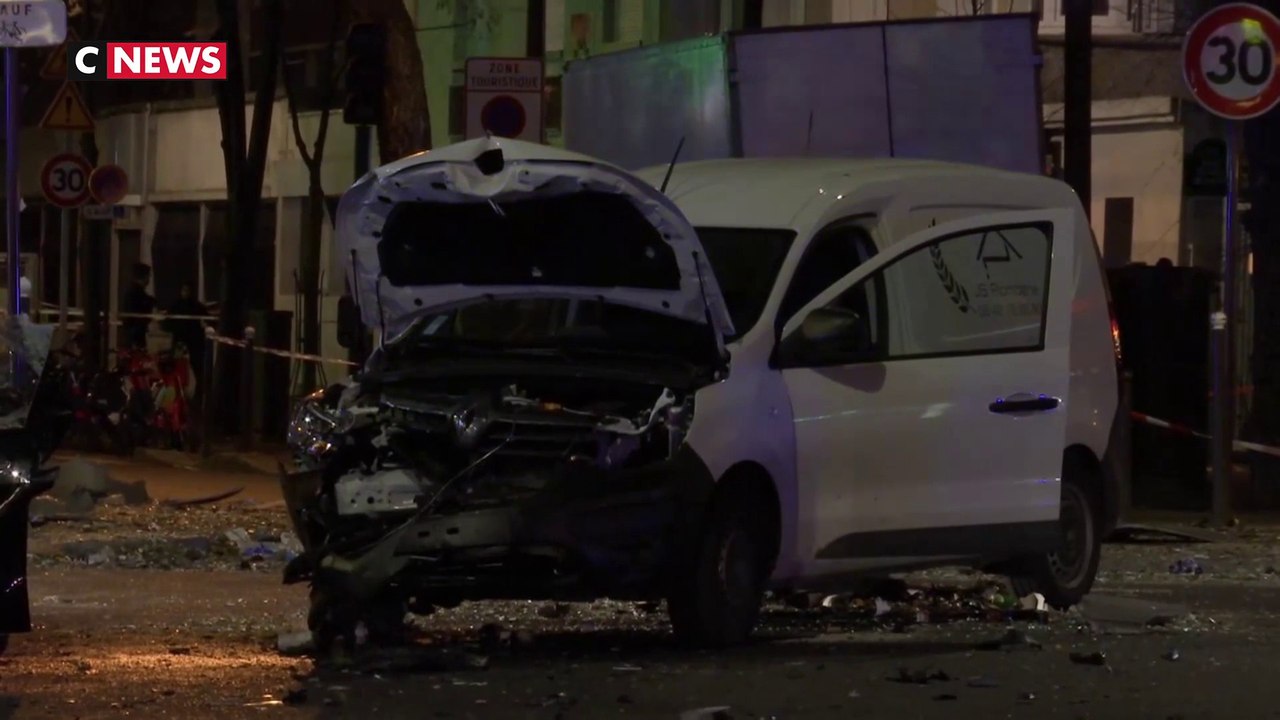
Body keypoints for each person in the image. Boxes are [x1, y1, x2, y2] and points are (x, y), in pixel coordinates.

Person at [163, 283, 209, 376]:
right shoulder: (175, 305)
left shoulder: (197, 305)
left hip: (194, 340)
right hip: (180, 339)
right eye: (184, 290)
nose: (186, 293)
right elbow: (167, 322)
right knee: (177, 365)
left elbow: (208, 318)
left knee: (196, 365)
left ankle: (199, 387)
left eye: (188, 290)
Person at [121, 263, 155, 351]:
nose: (149, 279)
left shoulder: (134, 293)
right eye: (148, 276)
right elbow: (138, 315)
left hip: (134, 334)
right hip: (135, 335)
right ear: (144, 276)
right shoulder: (135, 294)